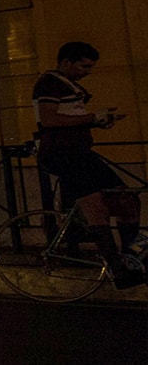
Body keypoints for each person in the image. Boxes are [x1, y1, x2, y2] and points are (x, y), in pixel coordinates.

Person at [33, 41, 141, 288]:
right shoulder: (49, 82)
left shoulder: (69, 86)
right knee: (96, 208)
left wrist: (98, 121)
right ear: (66, 62)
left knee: (127, 199)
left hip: (81, 152)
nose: (87, 71)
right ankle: (117, 269)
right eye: (84, 66)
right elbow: (49, 119)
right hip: (64, 154)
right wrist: (92, 117)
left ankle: (132, 258)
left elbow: (70, 118)